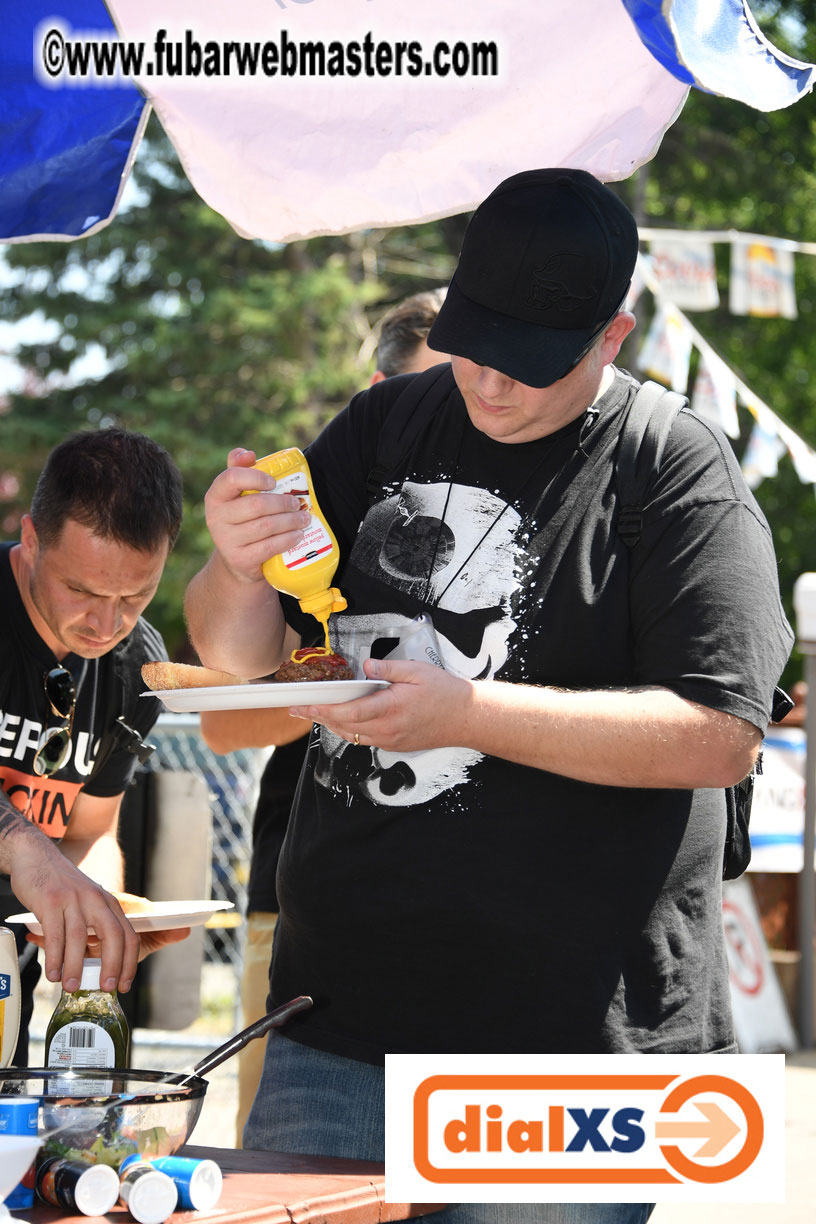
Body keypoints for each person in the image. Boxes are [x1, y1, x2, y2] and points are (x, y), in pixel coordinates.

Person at [184, 169, 793, 1224]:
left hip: (570, 1055)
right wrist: (235, 565)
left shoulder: (674, 470)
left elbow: (719, 737)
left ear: (613, 334)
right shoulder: (384, 426)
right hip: (337, 1022)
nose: (490, 384)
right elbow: (239, 664)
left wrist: (468, 716)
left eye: (528, 361)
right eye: (474, 343)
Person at [199, 287, 447, 1143]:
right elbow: (223, 722)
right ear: (381, 391)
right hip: (309, 915)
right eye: (433, 393)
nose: (463, 420)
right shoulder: (323, 504)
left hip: (474, 937)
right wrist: (336, 694)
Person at [0, 428, 190, 1062]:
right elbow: (40, 850)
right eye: (81, 591)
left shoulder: (137, 667)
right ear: (31, 540)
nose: (106, 625)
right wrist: (25, 848)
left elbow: (88, 830)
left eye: (134, 596)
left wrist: (105, 925)